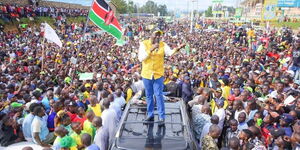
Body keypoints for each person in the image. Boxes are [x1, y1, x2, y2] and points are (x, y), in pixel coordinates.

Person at [138, 29, 185, 125]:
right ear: (151, 35)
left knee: (158, 95)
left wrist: (178, 48)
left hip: (158, 74)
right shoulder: (144, 44)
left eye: (159, 35)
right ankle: (150, 115)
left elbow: (170, 53)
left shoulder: (163, 44)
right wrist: (151, 49)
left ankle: (161, 117)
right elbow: (141, 58)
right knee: (148, 95)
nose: (158, 37)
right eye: (156, 35)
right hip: (147, 74)